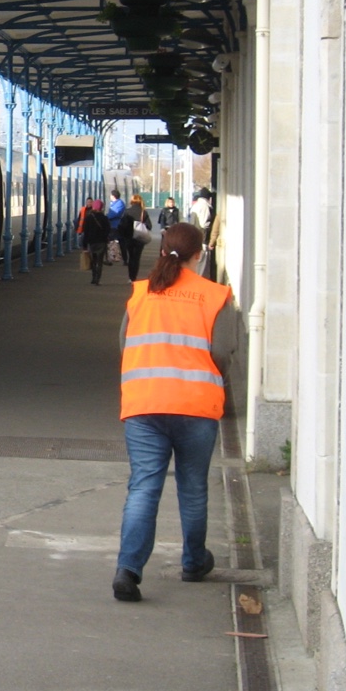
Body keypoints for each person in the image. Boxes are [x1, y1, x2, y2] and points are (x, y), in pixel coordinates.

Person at [112, 222, 239, 602]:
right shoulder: (216, 296)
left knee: (144, 486)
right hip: (196, 406)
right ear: (199, 254)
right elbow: (223, 352)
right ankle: (194, 561)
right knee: (193, 487)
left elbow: (125, 344)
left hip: (144, 403)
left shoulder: (141, 294)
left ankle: (128, 569)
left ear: (164, 249)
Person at [116, 193, 152, 282]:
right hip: (140, 239)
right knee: (136, 258)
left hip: (129, 238)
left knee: (131, 256)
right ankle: (134, 276)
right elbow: (149, 226)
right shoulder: (143, 212)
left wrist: (123, 235)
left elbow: (121, 226)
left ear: (132, 202)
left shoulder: (127, 212)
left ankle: (130, 277)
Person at [81, 199, 112, 285]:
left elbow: (85, 232)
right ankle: (98, 279)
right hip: (101, 242)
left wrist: (84, 245)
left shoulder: (88, 218)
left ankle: (93, 277)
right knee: (100, 261)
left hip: (92, 242)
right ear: (101, 208)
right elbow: (108, 230)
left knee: (93, 260)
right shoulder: (104, 218)